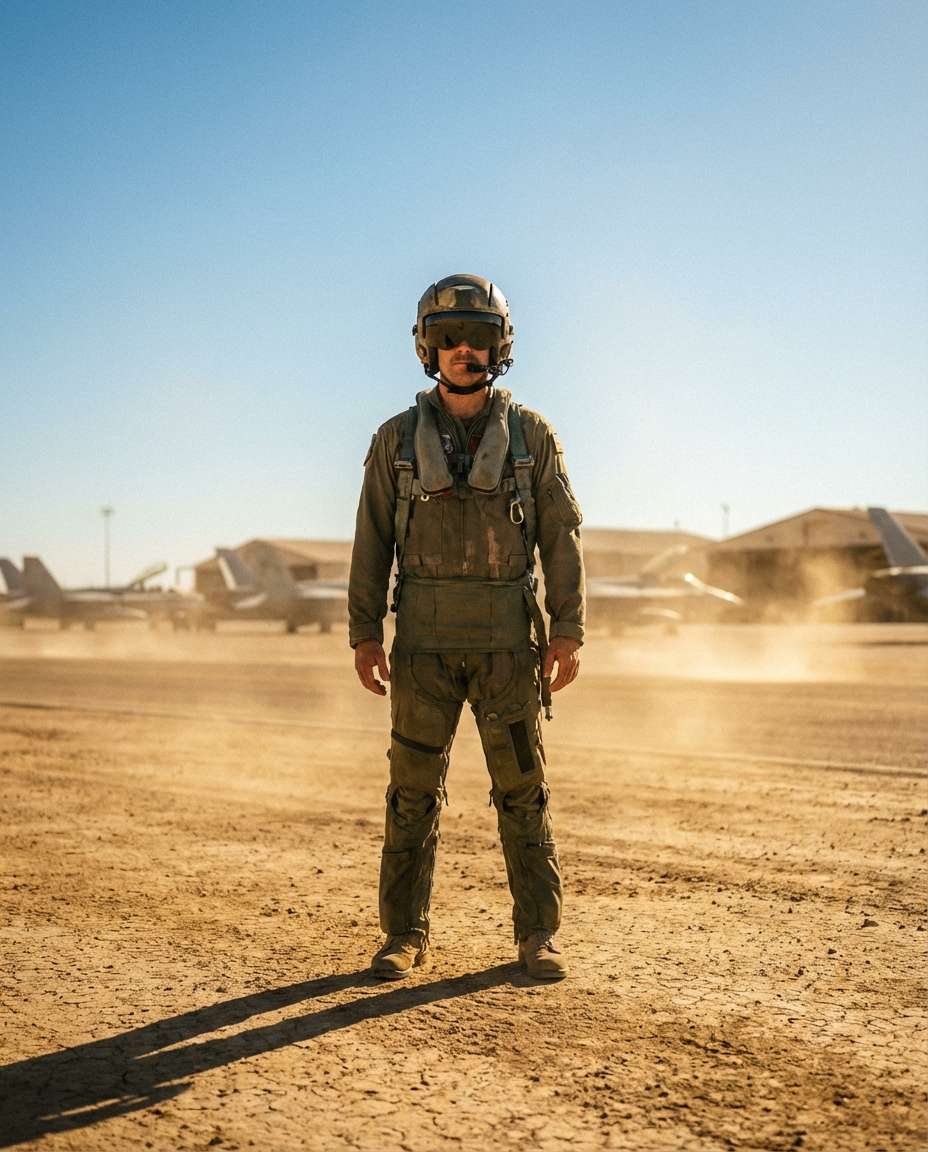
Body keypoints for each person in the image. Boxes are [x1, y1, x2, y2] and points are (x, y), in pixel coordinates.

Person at [348, 274, 585, 980]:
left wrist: (568, 628)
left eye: (479, 335)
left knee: (522, 789)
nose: (463, 349)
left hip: (507, 649)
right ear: (428, 347)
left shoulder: (530, 438)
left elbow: (562, 541)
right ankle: (403, 937)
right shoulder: (395, 442)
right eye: (448, 337)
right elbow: (371, 543)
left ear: (499, 345)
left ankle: (537, 935)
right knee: (412, 793)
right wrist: (364, 633)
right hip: (421, 648)